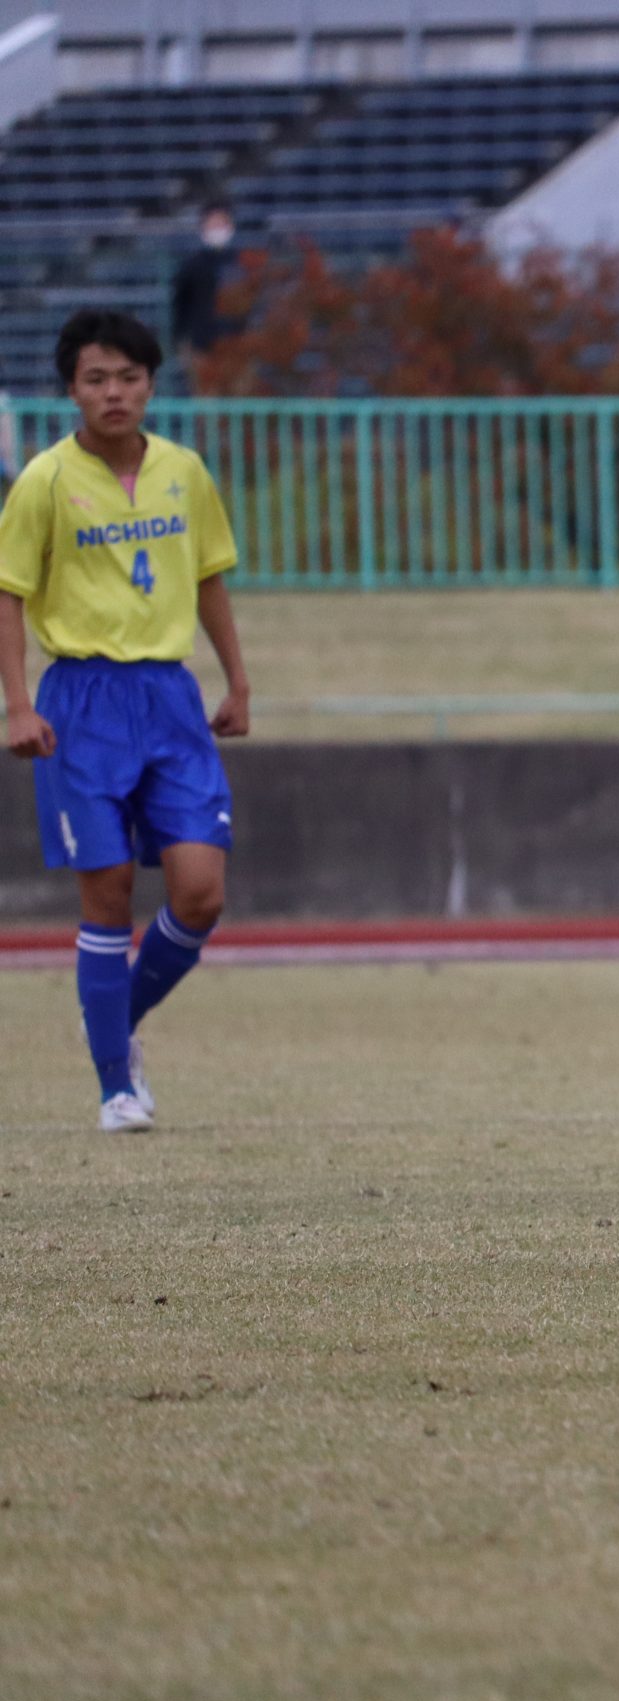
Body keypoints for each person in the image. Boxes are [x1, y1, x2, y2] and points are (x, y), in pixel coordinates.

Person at [0, 309, 251, 1131]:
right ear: (71, 388)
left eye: (129, 377)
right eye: (96, 378)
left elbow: (211, 578)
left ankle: (109, 1020)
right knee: (106, 892)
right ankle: (118, 1086)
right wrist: (19, 704)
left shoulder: (184, 471)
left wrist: (237, 681)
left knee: (201, 892)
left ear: (151, 384)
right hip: (81, 701)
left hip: (171, 700)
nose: (114, 392)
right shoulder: (44, 479)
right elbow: (9, 595)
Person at [167, 204, 238, 366]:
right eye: (213, 224)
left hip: (237, 346)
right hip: (202, 346)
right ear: (203, 228)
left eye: (221, 224)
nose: (217, 229)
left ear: (231, 226)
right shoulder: (191, 265)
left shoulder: (240, 265)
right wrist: (181, 341)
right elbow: (180, 306)